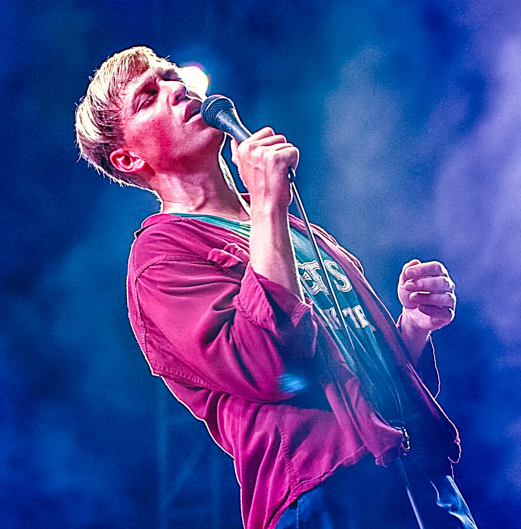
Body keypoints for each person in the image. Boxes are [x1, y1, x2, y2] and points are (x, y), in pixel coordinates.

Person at [75, 45, 477, 529]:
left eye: (169, 75)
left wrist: (412, 328)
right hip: (324, 493)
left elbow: (362, 378)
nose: (174, 88)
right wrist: (267, 203)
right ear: (127, 158)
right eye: (147, 96)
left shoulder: (291, 227)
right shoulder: (161, 257)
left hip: (418, 477)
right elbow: (268, 366)